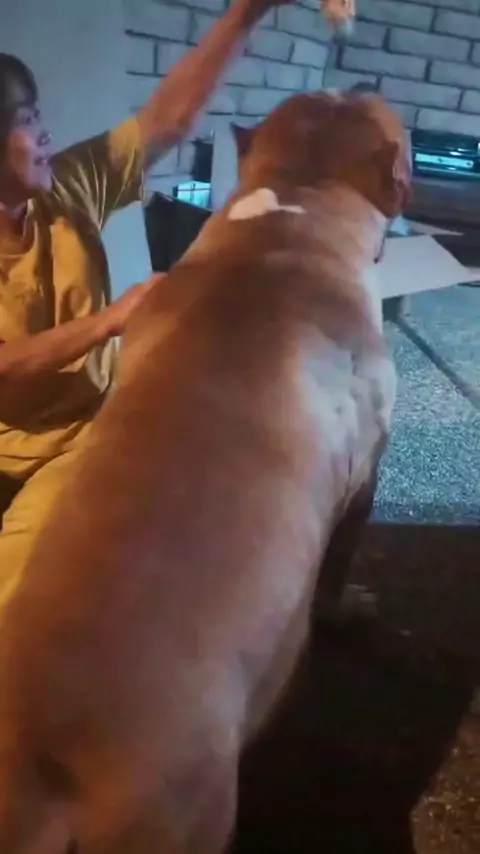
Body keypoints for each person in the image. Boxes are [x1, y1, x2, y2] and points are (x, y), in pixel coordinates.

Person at [0, 0, 290, 604]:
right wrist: (109, 321)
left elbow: (167, 121)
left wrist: (244, 14)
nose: (45, 132)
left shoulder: (67, 189)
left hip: (82, 433)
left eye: (39, 113)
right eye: (26, 121)